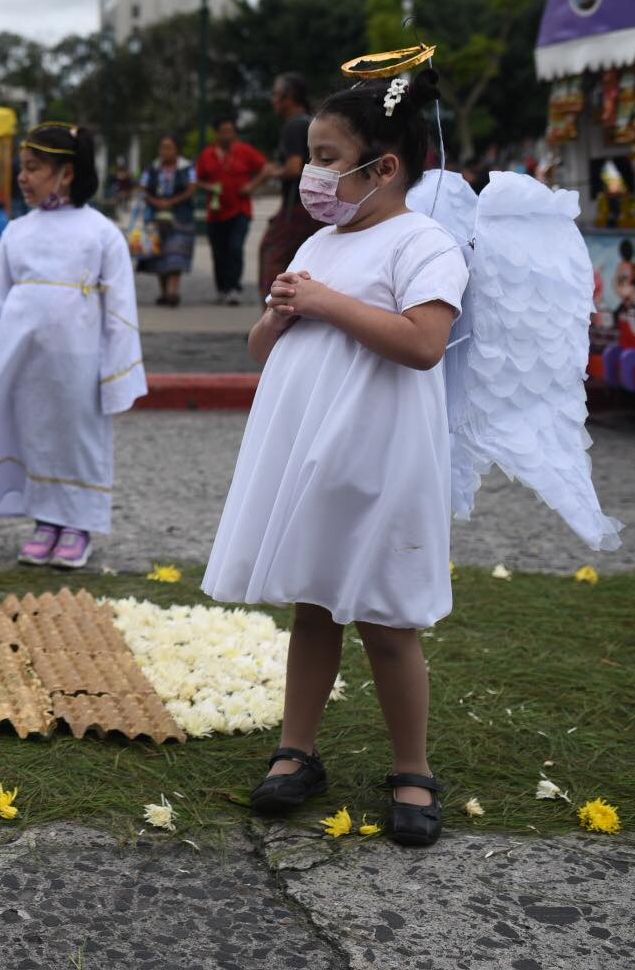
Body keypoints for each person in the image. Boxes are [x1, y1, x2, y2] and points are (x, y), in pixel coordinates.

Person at [202, 70, 469, 847]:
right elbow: (262, 344)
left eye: (326, 158)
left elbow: (424, 342)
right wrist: (283, 310)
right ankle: (298, 748)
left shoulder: (424, 242)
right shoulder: (320, 240)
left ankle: (412, 767)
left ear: (383, 167)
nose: (310, 175)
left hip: (382, 453)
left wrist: (324, 302)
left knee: (387, 615)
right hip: (307, 448)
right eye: (311, 158)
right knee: (313, 603)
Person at [0, 122, 146, 570]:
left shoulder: (102, 232)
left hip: (79, 361)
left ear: (68, 173)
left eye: (34, 168)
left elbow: (120, 310)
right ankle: (46, 520)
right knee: (34, 433)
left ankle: (78, 524)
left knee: (77, 437)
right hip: (21, 359)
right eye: (23, 167)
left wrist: (118, 374)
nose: (23, 177)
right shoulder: (15, 232)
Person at [253, 71, 325, 296]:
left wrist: (271, 172)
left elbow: (294, 167)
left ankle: (269, 317)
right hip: (319, 209)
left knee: (272, 255)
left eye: (276, 95)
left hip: (296, 209)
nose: (273, 101)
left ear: (290, 96)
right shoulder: (314, 122)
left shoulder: (293, 126)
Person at [195, 116, 268, 304]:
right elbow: (197, 179)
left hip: (240, 210)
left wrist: (252, 186)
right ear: (217, 133)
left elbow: (266, 168)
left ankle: (234, 287)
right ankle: (222, 289)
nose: (227, 135)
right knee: (219, 252)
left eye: (230, 131)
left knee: (235, 248)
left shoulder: (244, 151)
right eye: (223, 131)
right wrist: (208, 187)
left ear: (235, 133)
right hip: (216, 212)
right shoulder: (208, 154)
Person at [138, 134, 198, 307]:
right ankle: (163, 291)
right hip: (156, 219)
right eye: (162, 147)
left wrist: (171, 202)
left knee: (175, 253)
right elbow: (143, 188)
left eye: (169, 147)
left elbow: (192, 188)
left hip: (181, 218)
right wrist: (156, 202)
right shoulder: (152, 169)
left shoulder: (187, 168)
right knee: (160, 254)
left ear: (177, 150)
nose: (165, 151)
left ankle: (173, 291)